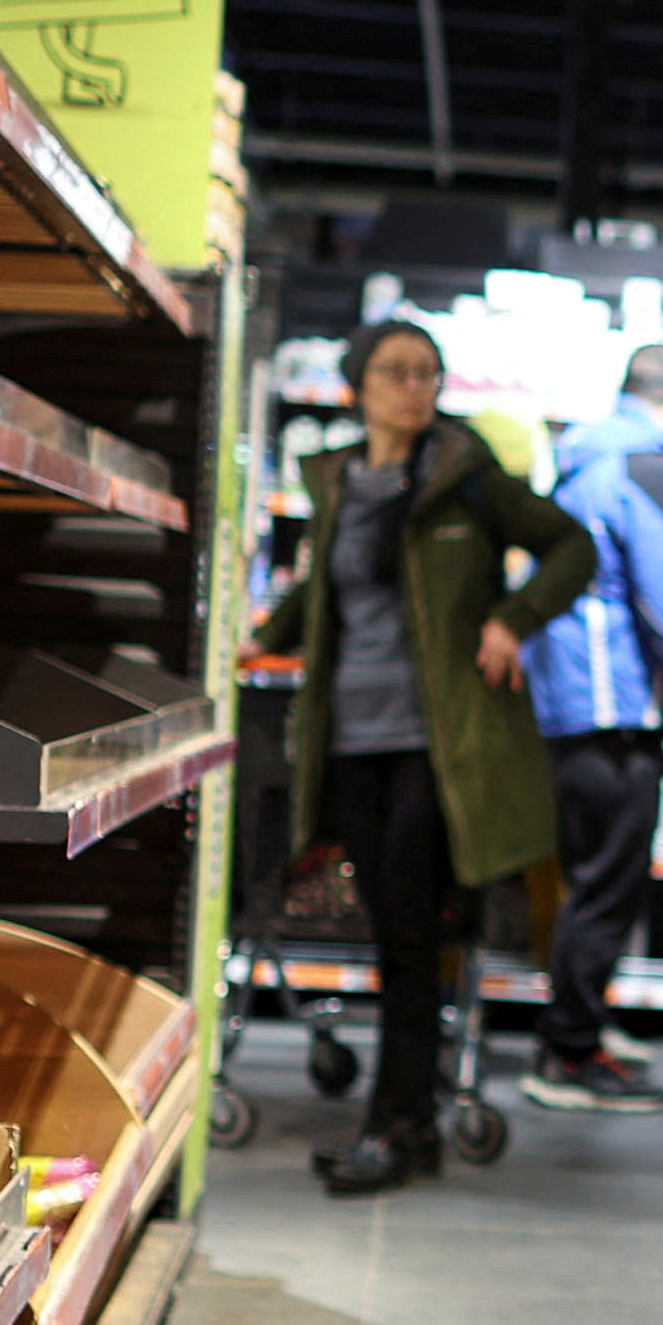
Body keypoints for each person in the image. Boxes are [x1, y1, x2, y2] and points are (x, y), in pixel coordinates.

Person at [252, 317, 596, 1196]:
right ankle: (414, 1119)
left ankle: (395, 1128)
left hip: (438, 751)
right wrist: (261, 642)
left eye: (429, 373)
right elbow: (325, 593)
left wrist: (510, 620)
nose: (417, 387)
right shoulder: (337, 481)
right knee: (392, 931)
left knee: (408, 936)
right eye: (398, 372)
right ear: (357, 385)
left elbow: (573, 546)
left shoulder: (468, 478)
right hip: (350, 739)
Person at [520, 342, 663, 1116]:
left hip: (571, 703)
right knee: (607, 887)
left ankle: (579, 1028)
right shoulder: (651, 467)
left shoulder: (581, 460)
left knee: (590, 882)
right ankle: (570, 1053)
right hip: (616, 709)